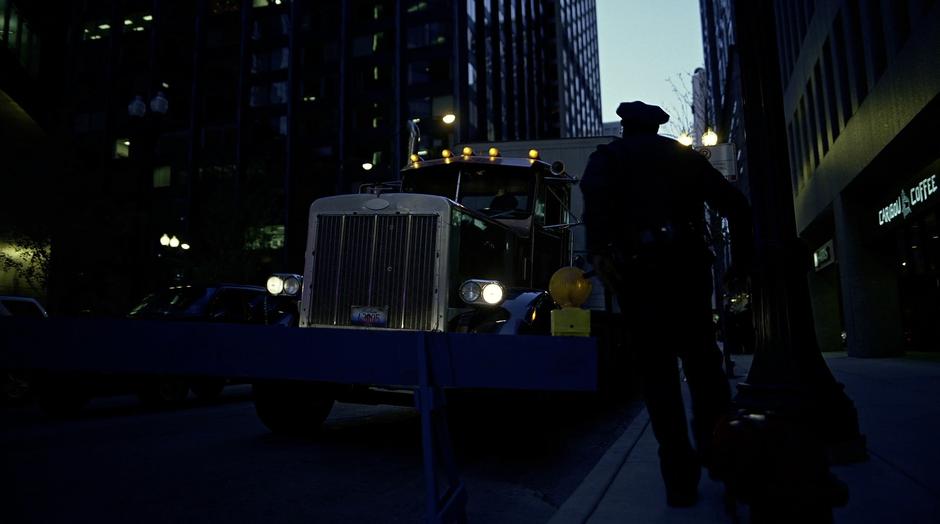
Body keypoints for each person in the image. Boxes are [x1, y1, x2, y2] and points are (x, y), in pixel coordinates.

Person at [581, 101, 752, 507]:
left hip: (638, 278)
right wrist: (741, 263)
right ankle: (719, 455)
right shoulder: (684, 158)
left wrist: (600, 251)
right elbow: (737, 206)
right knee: (705, 367)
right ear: (656, 128)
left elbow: (594, 200)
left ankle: (679, 480)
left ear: (625, 127)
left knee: (658, 379)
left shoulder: (608, 158)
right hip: (688, 274)